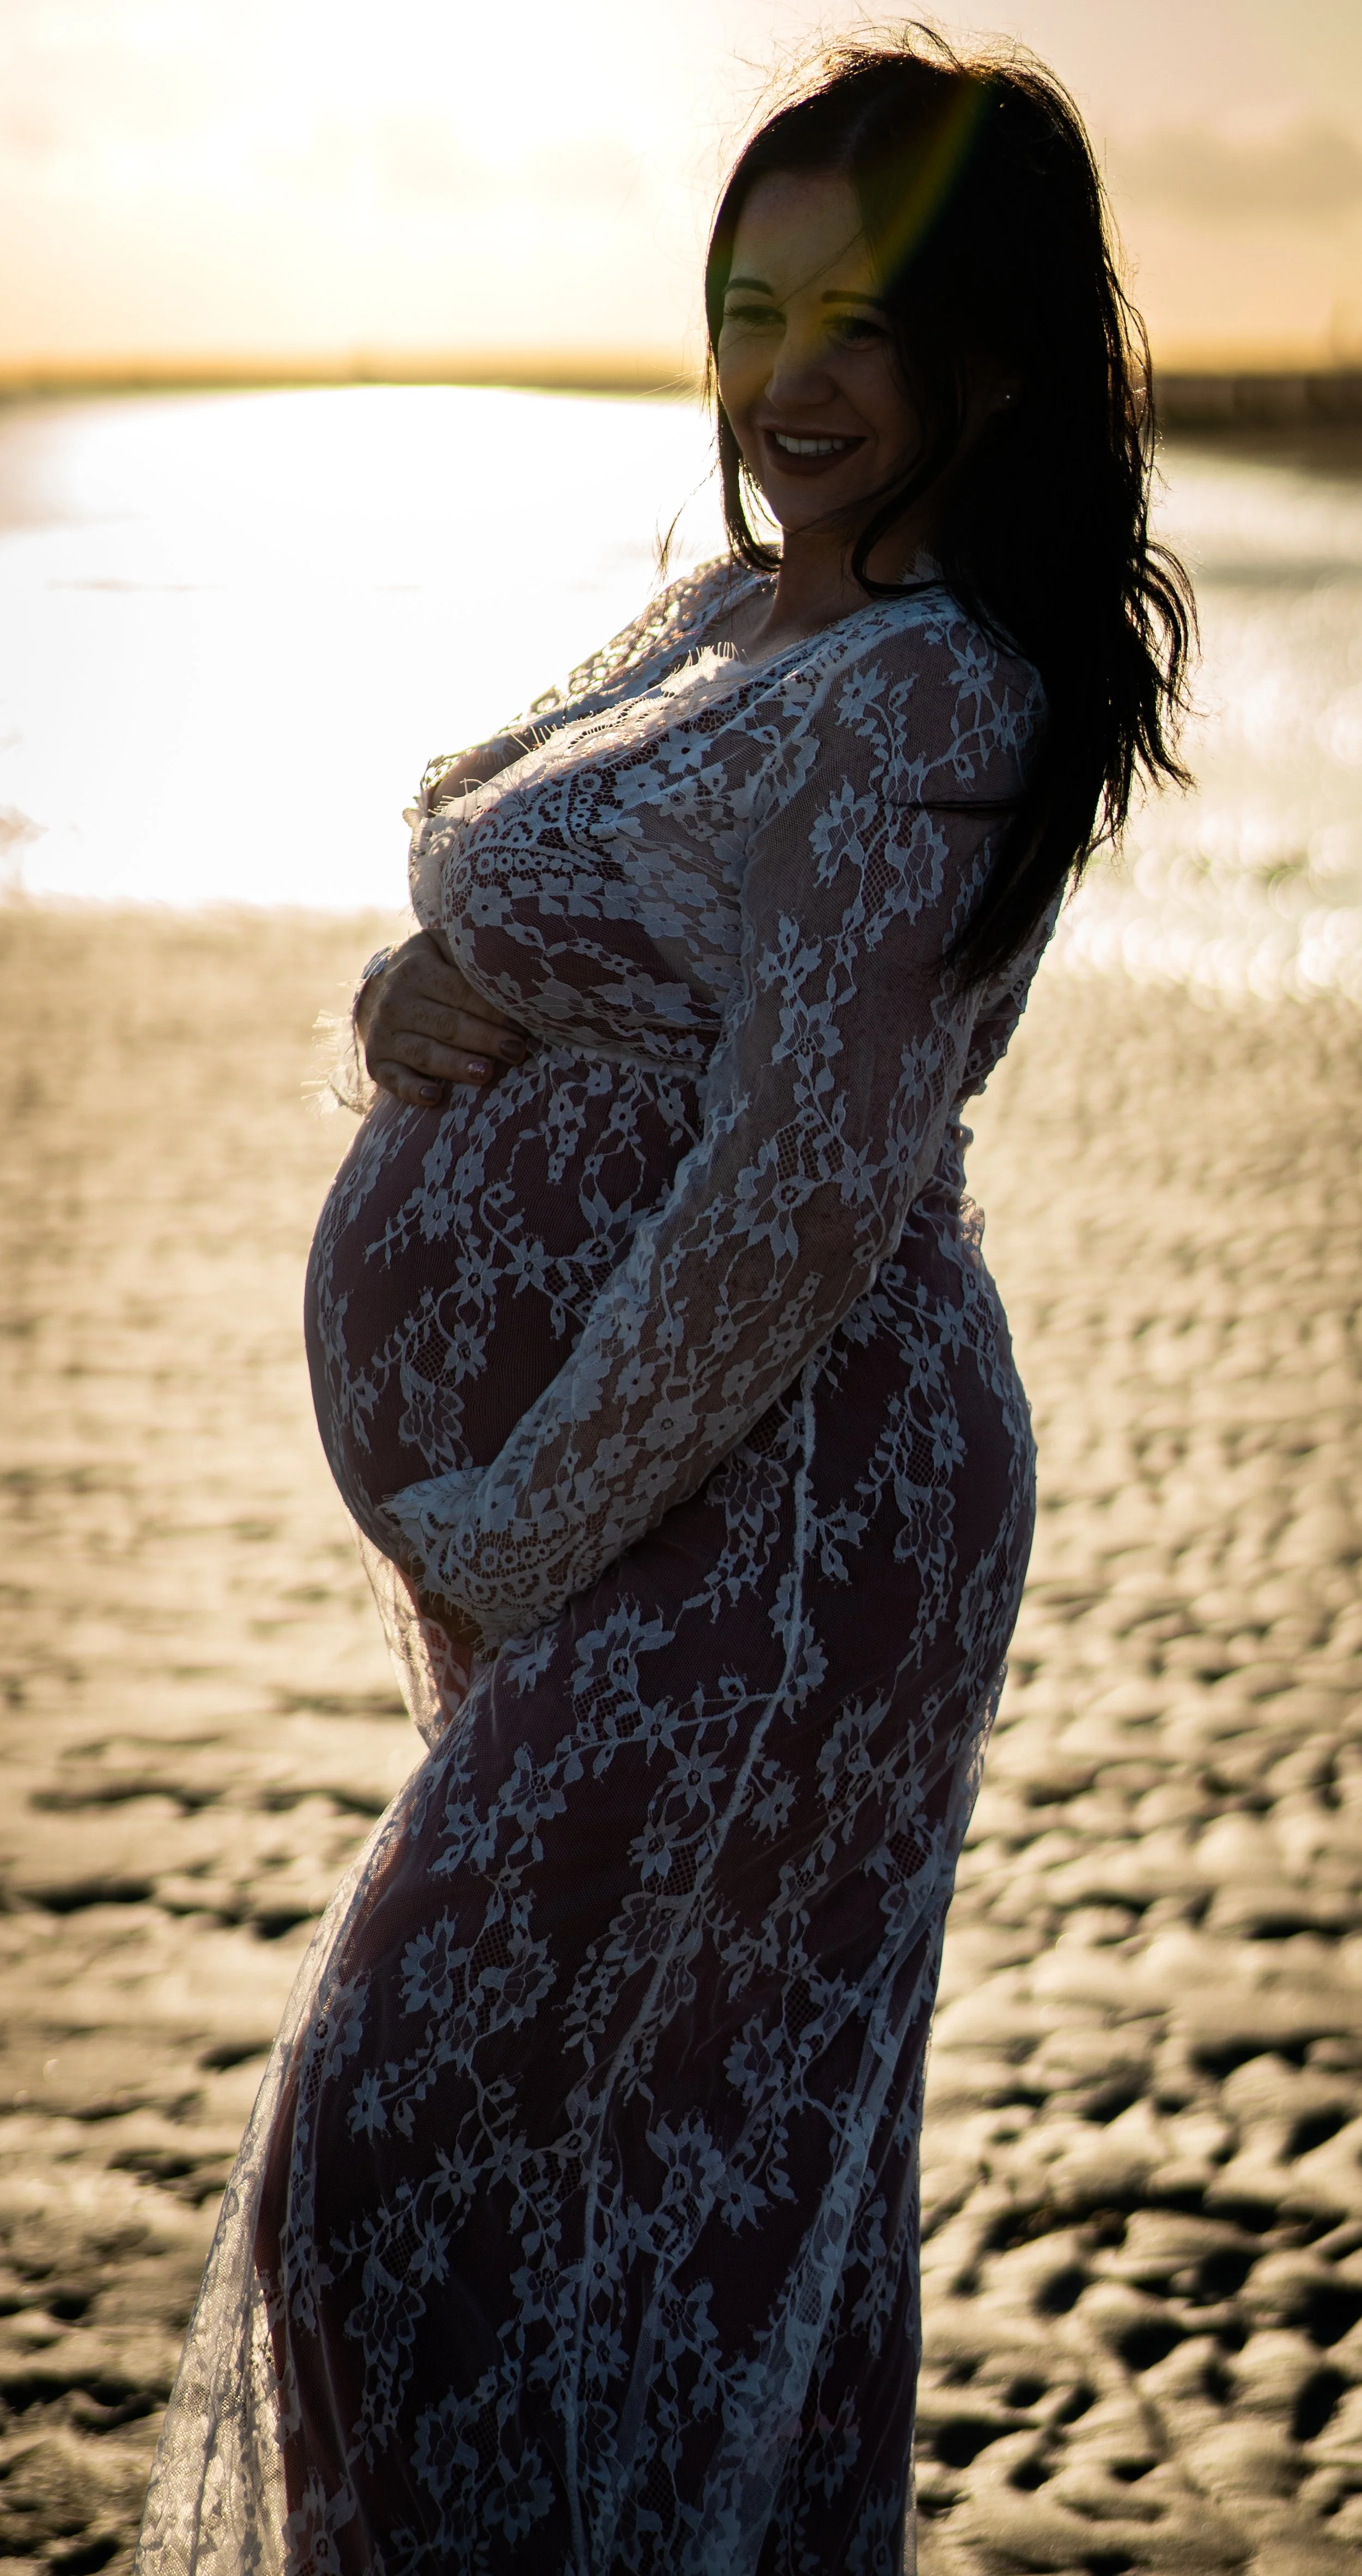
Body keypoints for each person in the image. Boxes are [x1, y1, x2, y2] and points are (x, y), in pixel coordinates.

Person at [135, 31, 1191, 2576]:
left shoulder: (943, 696)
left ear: (999, 357)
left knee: (410, 2157)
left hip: (785, 1524)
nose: (784, 380)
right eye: (752, 310)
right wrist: (403, 1002)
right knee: (562, 2181)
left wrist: (507, 1533)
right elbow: (518, 895)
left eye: (856, 324)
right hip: (648, 1525)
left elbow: (803, 1191)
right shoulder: (736, 613)